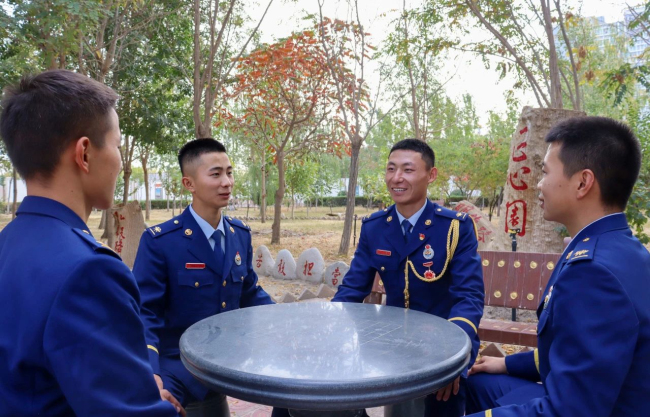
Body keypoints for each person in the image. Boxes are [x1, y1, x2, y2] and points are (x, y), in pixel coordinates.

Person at [0, 70, 181, 416]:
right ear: (84, 153)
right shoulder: (88, 272)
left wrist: (140, 385)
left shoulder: (8, 242)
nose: (120, 161)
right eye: (117, 145)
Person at [465, 116, 650, 417]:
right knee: (474, 383)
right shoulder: (618, 247)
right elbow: (575, 351)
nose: (539, 184)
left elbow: (570, 411)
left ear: (582, 183)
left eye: (546, 172)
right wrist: (506, 362)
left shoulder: (594, 273)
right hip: (589, 395)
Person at [132, 138, 286, 416]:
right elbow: (145, 313)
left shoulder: (239, 235)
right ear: (188, 183)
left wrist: (290, 323)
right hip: (179, 365)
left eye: (229, 172)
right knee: (156, 409)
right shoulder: (161, 242)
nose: (227, 182)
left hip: (232, 358)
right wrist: (150, 373)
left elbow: (250, 293)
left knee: (296, 390)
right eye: (215, 174)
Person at [333, 138, 485, 416]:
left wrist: (453, 357)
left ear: (431, 175)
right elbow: (352, 288)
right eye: (391, 169)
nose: (396, 178)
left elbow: (469, 297)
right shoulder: (375, 227)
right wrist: (328, 328)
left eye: (408, 169)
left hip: (442, 346)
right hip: (393, 347)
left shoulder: (454, 228)